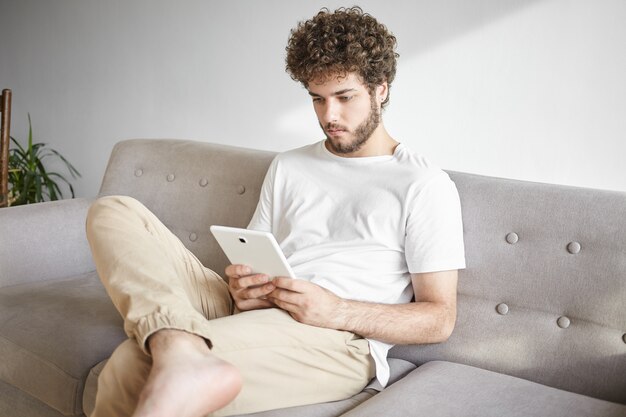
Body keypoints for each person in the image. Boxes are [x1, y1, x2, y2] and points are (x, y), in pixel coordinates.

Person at [85, 7, 465, 417]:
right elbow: (254, 257)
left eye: (344, 97)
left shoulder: (423, 184)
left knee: (132, 363)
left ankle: (178, 350)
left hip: (332, 337)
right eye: (317, 99)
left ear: (381, 89)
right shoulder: (289, 165)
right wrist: (243, 288)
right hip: (256, 311)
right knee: (113, 210)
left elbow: (439, 319)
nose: (328, 116)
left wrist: (336, 309)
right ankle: (180, 346)